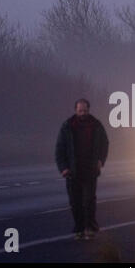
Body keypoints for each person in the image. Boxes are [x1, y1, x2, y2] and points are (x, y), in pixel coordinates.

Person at [55, 98, 109, 240]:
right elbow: (60, 149)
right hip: (73, 171)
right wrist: (63, 168)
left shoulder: (96, 125)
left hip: (90, 170)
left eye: (85, 110)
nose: (83, 113)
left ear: (88, 110)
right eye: (80, 111)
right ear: (75, 110)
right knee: (75, 202)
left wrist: (100, 161)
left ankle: (90, 228)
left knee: (89, 201)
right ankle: (79, 229)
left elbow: (105, 143)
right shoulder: (67, 126)